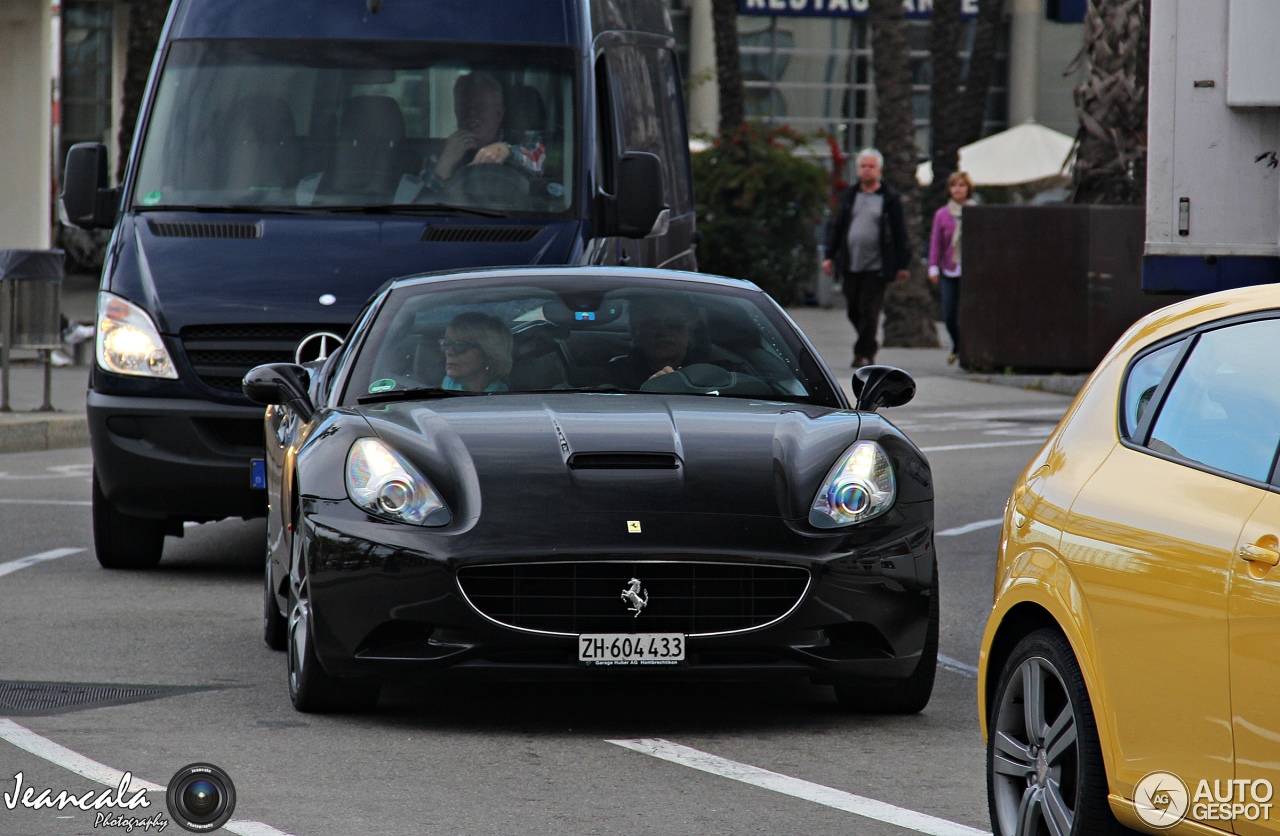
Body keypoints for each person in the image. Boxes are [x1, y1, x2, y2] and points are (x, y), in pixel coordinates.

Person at [822, 148, 911, 368]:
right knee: (854, 309)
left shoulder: (889, 199)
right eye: (863, 166)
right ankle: (869, 344)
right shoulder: (850, 196)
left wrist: (902, 263)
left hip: (877, 265)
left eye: (871, 166)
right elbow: (837, 227)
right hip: (851, 263)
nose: (867, 170)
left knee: (870, 311)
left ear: (879, 170)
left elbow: (900, 232)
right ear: (858, 169)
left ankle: (862, 353)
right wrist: (829, 256)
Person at [420, 72, 544, 192]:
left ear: (498, 114)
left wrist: (508, 151)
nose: (471, 113)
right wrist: (445, 164)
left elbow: (539, 160)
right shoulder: (442, 152)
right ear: (456, 112)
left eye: (480, 106)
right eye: (463, 107)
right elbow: (419, 201)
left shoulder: (524, 141)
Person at [928, 170, 974, 365]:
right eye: (954, 185)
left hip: (970, 270)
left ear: (968, 189)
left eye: (962, 185)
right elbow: (936, 242)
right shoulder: (942, 214)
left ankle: (966, 351)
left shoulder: (975, 211)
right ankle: (957, 344)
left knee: (965, 315)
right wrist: (933, 267)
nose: (958, 189)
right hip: (949, 269)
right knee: (948, 314)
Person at [439, 312, 512, 392]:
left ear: (490, 356)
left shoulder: (503, 398)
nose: (449, 352)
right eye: (446, 344)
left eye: (460, 346)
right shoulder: (447, 384)